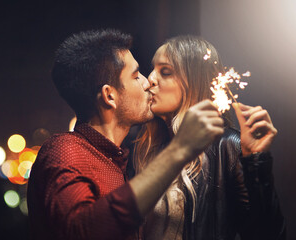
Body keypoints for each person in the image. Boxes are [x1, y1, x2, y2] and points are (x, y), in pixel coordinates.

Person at [27, 29, 226, 240]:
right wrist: (179, 150)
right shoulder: (64, 150)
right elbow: (81, 231)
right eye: (136, 76)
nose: (147, 82)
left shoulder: (119, 159)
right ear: (109, 96)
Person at [134, 35, 286, 240]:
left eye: (166, 71)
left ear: (194, 83)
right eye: (153, 68)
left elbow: (267, 235)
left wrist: (256, 161)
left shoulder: (227, 146)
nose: (150, 78)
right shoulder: (146, 148)